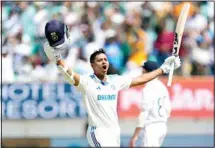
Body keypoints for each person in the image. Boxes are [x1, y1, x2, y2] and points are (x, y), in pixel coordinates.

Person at [43, 20, 181, 147]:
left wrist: (163, 68)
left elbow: (141, 79)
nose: (104, 62)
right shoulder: (87, 82)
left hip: (114, 132)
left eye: (105, 59)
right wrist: (57, 59)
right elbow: (68, 73)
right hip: (98, 132)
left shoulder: (115, 80)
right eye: (99, 60)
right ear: (92, 65)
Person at [129, 61, 171, 147]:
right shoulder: (162, 86)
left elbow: (144, 114)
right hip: (163, 126)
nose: (141, 72)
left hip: (152, 127)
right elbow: (168, 108)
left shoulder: (148, 89)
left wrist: (135, 136)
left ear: (146, 71)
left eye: (143, 69)